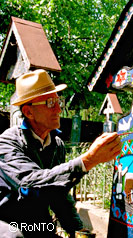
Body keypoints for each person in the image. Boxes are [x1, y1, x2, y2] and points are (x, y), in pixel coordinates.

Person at [0, 69, 122, 238]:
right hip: (8, 222)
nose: (58, 109)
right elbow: (30, 186)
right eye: (50, 103)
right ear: (29, 112)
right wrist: (87, 161)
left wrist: (77, 230)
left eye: (59, 101)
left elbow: (59, 195)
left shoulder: (56, 145)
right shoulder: (7, 143)